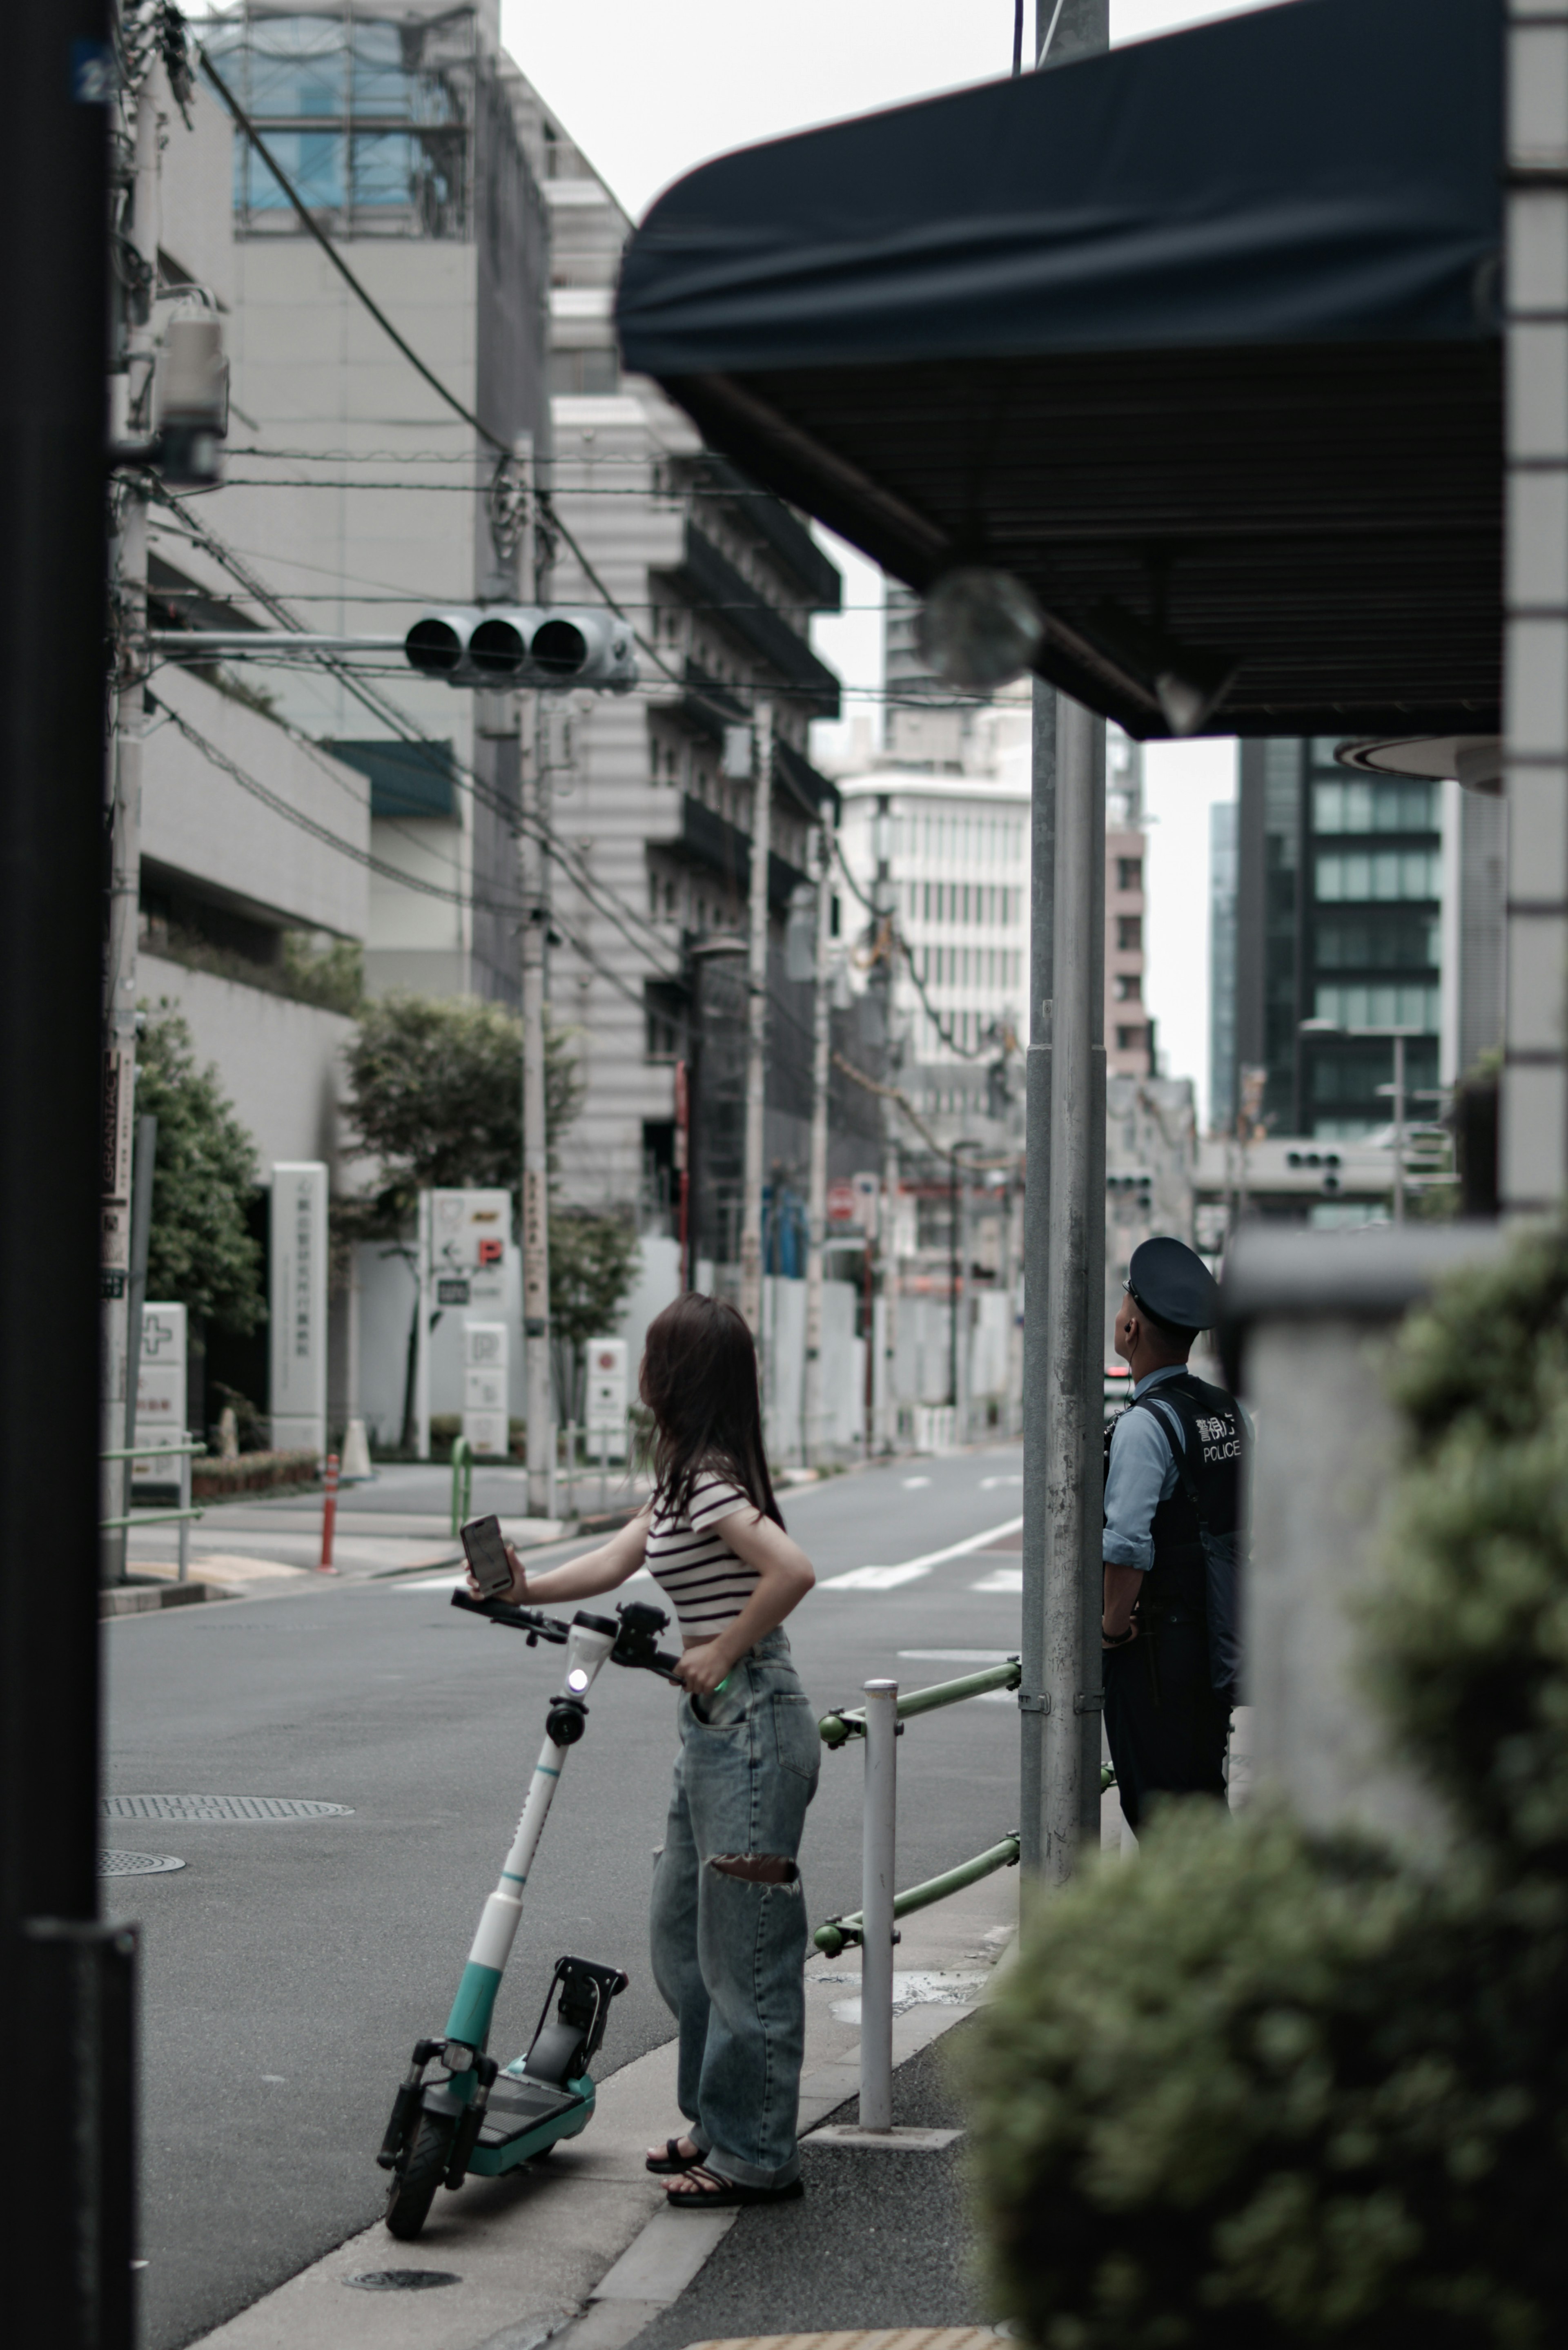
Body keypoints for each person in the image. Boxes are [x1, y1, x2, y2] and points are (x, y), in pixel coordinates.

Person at [468, 1292, 819, 2209]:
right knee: (682, 1938)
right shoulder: (681, 1480)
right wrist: (522, 1587)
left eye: (656, 1358)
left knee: (743, 1952)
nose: (643, 1374)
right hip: (714, 1733)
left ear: (681, 1378)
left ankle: (755, 2157)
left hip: (754, 1723)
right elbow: (618, 1561)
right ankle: (718, 2117)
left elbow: (794, 1571)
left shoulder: (712, 1482)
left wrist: (722, 1647)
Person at [1101, 1234, 1249, 1835]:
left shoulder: (1144, 1426)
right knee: (1203, 1793)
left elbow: (1128, 1545)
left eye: (1122, 1306)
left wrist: (1112, 1628)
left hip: (1156, 1650)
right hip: (1216, 1636)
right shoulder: (1224, 1410)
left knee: (1157, 1805)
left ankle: (1216, 1926)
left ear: (1132, 1328)